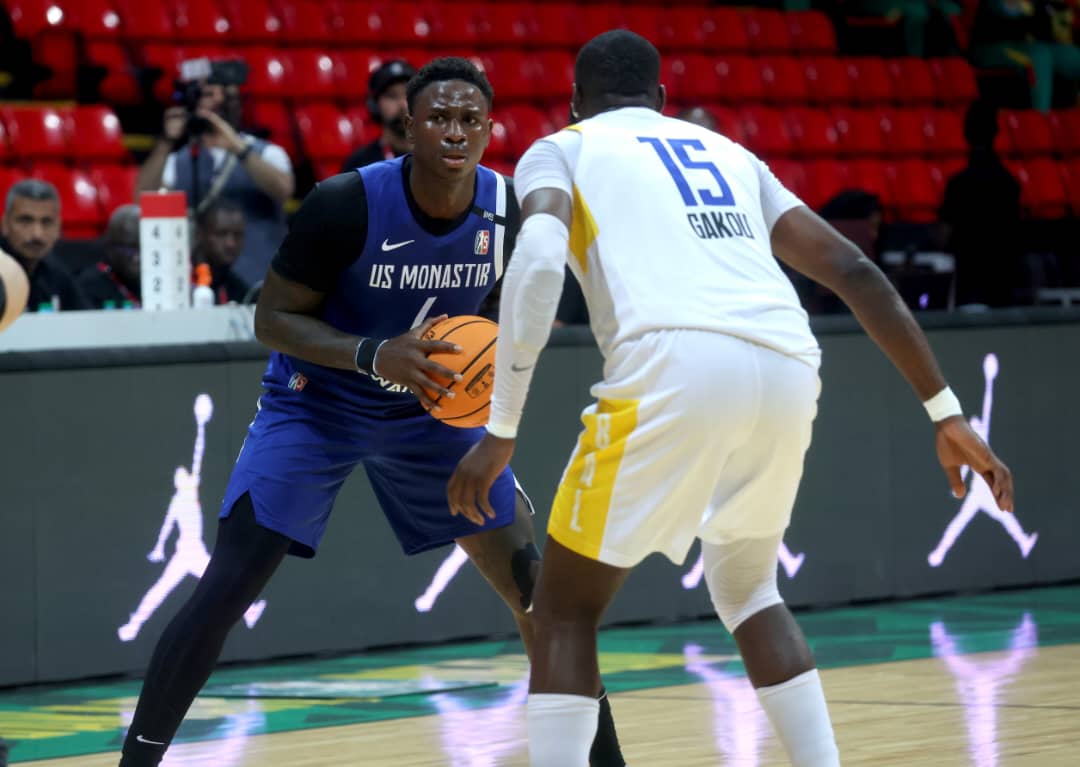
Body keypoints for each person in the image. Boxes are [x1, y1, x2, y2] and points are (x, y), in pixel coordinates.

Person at [447, 30, 1014, 767]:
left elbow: (539, 263)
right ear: (661, 99)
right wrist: (946, 412)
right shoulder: (731, 154)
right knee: (748, 587)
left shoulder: (560, 149)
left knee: (562, 608)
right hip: (787, 359)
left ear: (576, 101)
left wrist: (501, 427)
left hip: (674, 359)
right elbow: (854, 269)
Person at [117, 57, 625, 767]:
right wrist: (372, 354)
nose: (455, 131)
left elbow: (493, 307)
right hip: (319, 402)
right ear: (409, 128)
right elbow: (271, 319)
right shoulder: (344, 203)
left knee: (537, 591)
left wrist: (468, 357)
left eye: (470, 119)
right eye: (439, 118)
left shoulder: (507, 209)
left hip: (429, 410)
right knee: (228, 586)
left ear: (490, 130)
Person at [135, 60, 295, 288]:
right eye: (206, 95)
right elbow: (143, 199)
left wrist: (236, 146)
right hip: (202, 281)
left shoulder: (266, 152)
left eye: (220, 95)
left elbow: (284, 189)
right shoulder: (179, 159)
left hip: (259, 276)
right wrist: (166, 142)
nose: (214, 102)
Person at [939, 101, 1022, 308]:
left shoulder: (958, 185)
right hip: (1003, 282)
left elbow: (944, 234)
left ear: (966, 133)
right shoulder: (1009, 184)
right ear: (996, 132)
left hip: (969, 283)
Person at [0, 179, 89, 312]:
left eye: (47, 222)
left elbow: (87, 318)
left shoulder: (57, 274)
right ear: (5, 224)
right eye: (25, 221)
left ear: (58, 227)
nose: (37, 234)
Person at [340, 59, 416, 172]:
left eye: (408, 94)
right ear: (374, 106)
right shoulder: (360, 164)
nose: (403, 105)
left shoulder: (437, 157)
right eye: (392, 96)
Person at [78, 204, 141, 309]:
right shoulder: (89, 286)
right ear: (110, 247)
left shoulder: (159, 282)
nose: (137, 257)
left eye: (143, 248)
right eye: (130, 249)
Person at [193, 199, 251, 304]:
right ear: (200, 234)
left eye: (237, 235)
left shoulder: (241, 291)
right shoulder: (179, 281)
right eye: (221, 234)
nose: (231, 243)